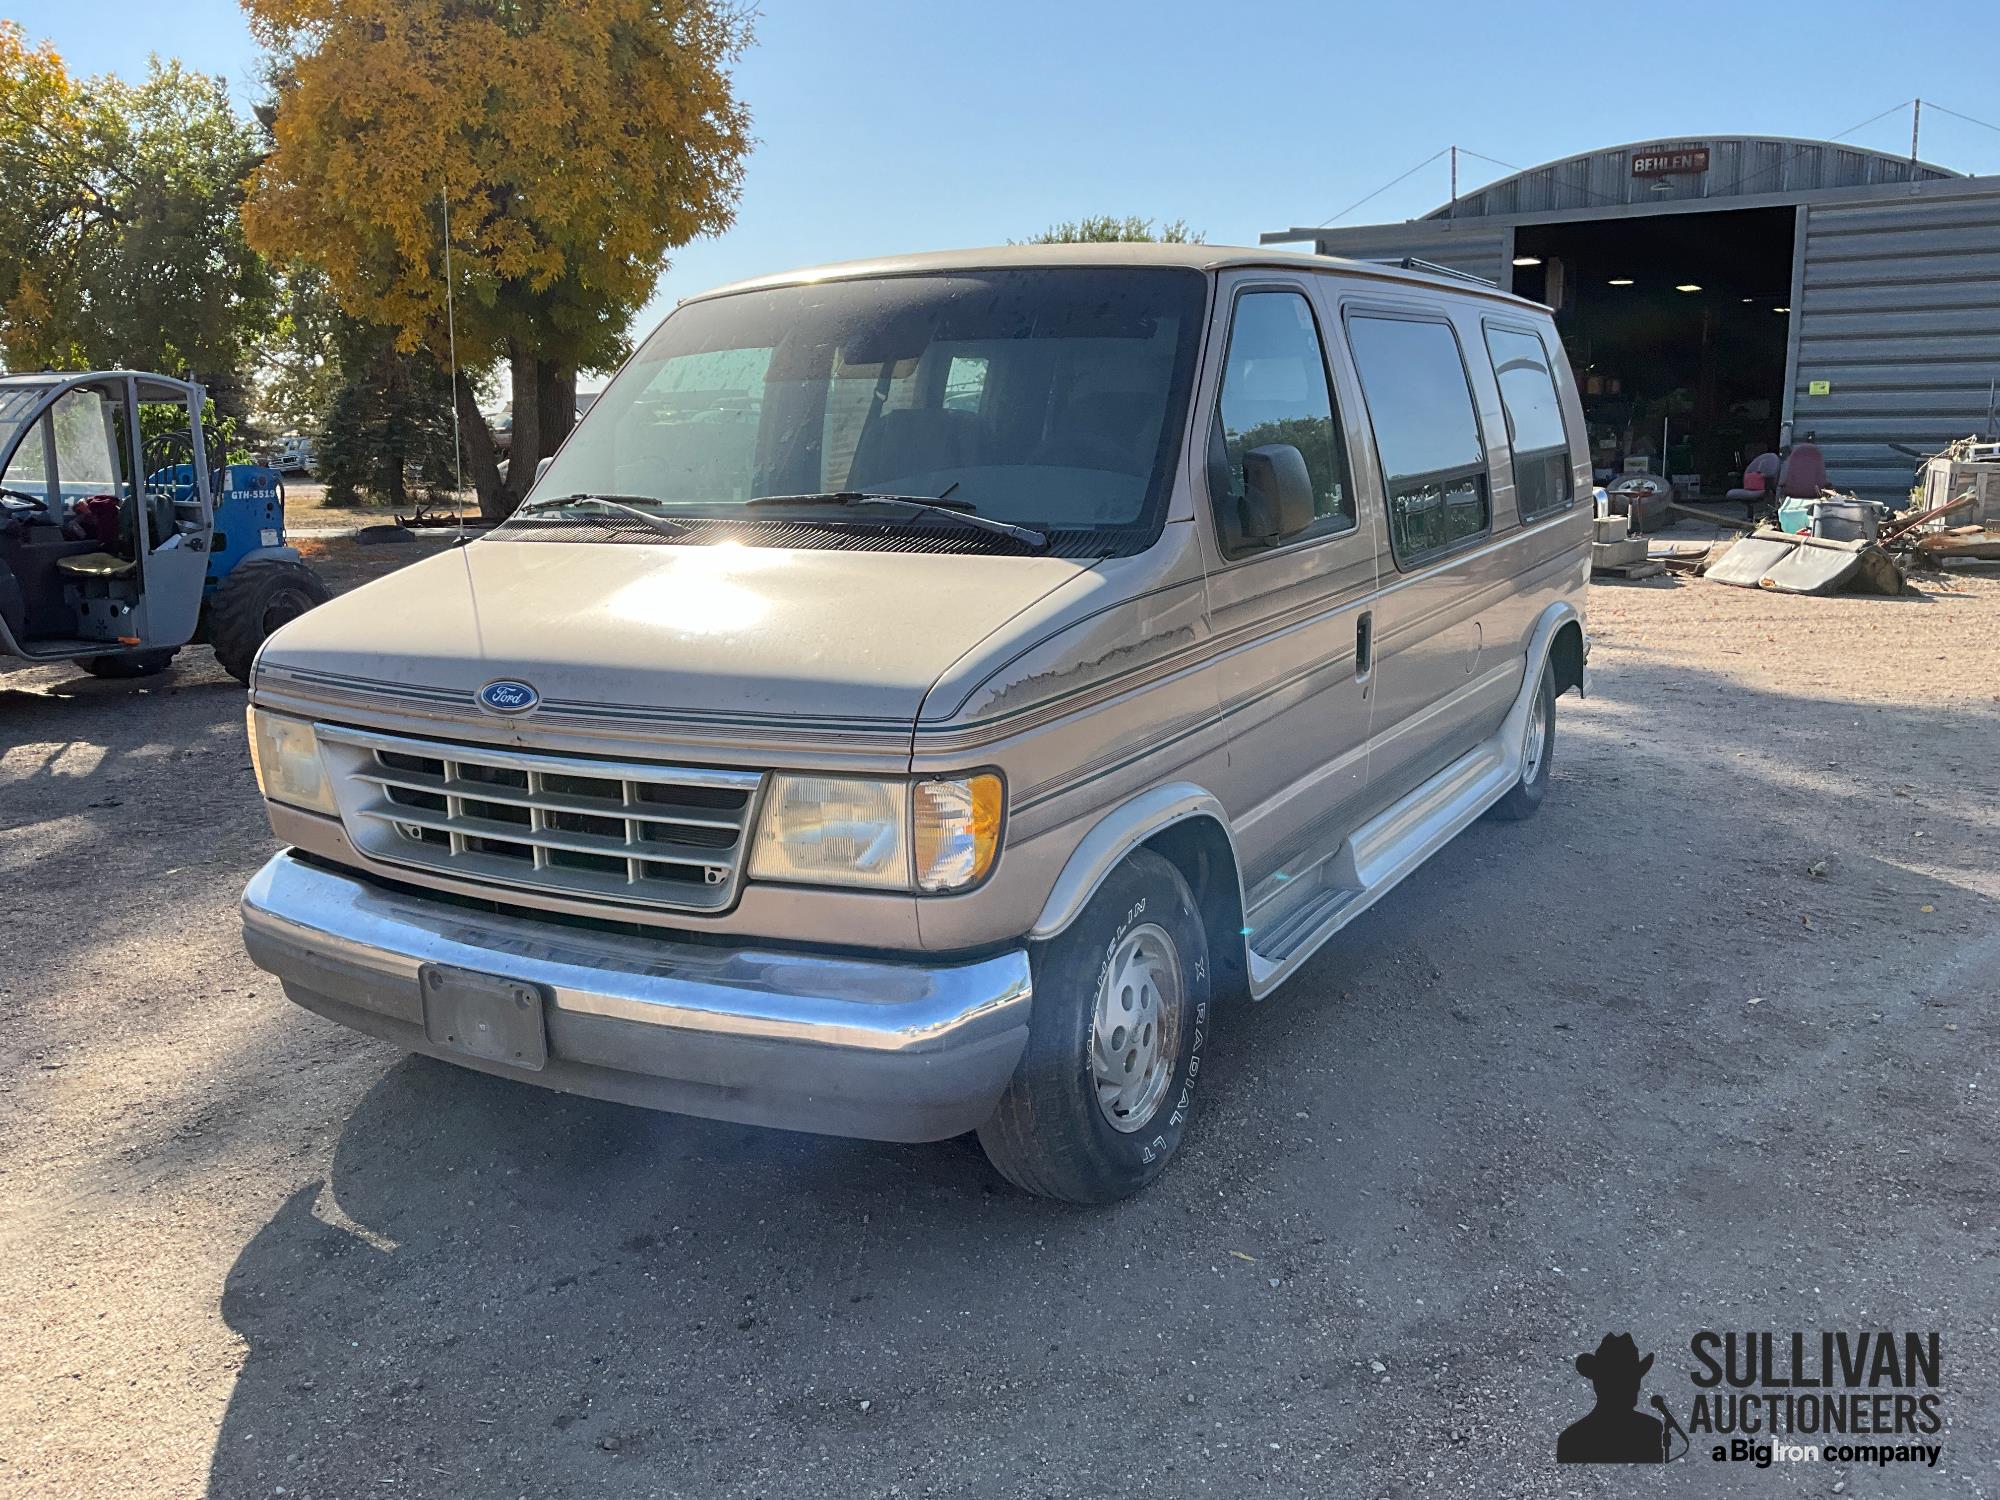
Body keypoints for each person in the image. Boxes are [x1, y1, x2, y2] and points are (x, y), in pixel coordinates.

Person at [1556, 1333, 1668, 1464]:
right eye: (1627, 1381)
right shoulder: (1649, 1429)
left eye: (1634, 1380)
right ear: (1601, 1384)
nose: (1636, 1387)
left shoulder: (1571, 1438)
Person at [1779, 430, 1831, 499]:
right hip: (1810, 499)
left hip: (1795, 498)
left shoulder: (1795, 455)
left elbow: (1782, 481)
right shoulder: (1815, 454)